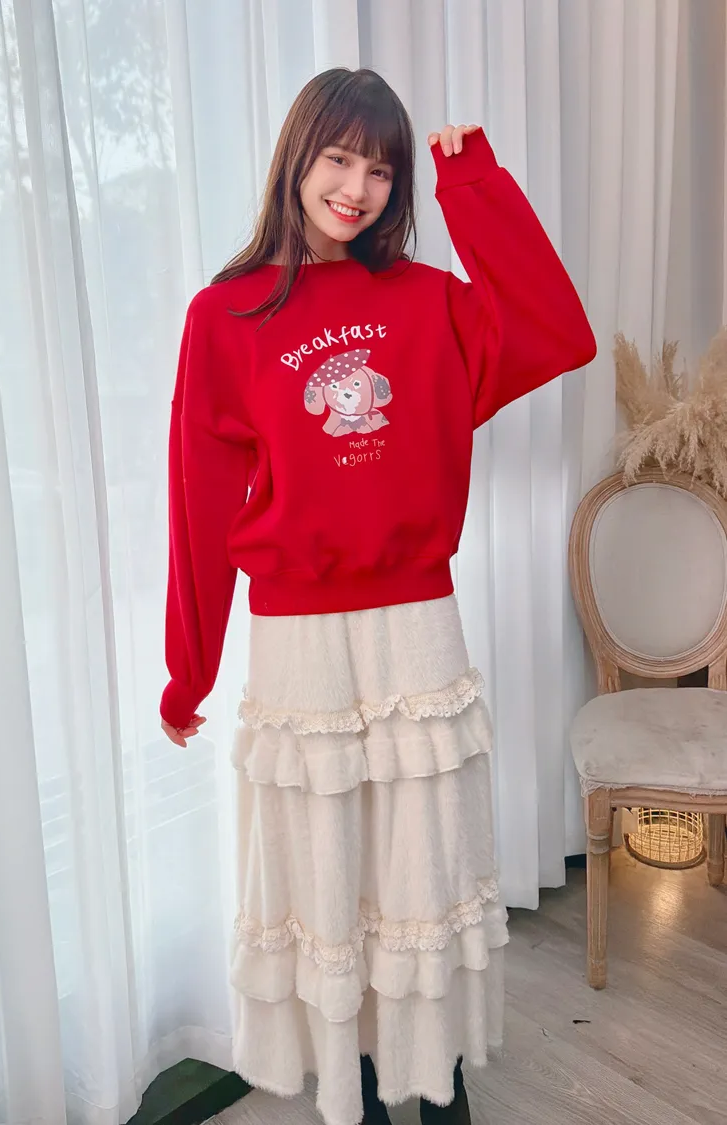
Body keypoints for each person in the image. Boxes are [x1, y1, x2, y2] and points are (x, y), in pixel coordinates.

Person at [160, 67, 596, 1125]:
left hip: (415, 625)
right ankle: (351, 1084)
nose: (356, 190)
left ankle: (439, 1087)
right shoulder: (226, 315)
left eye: (381, 171)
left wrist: (472, 183)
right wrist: (189, 670)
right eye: (339, 159)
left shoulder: (427, 302)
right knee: (327, 872)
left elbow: (557, 329)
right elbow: (198, 503)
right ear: (299, 159)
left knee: (421, 867)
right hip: (299, 637)